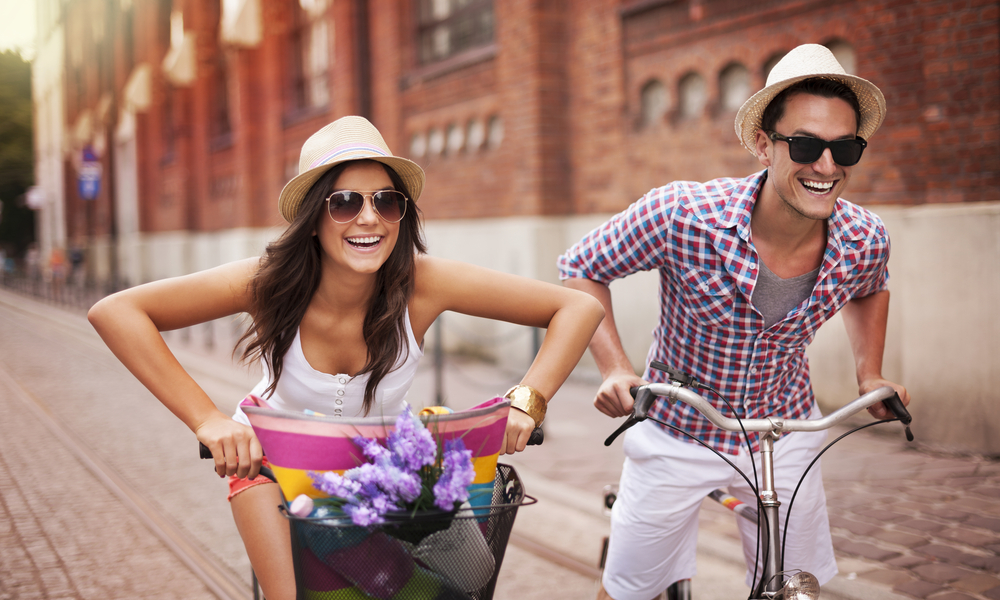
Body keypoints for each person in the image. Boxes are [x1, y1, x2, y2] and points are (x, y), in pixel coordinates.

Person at [89, 115, 604, 600]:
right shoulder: (269, 282)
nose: (369, 218)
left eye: (386, 202)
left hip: (382, 476)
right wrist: (208, 421)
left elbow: (577, 308)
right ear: (313, 218)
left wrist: (527, 400)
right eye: (344, 202)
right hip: (274, 465)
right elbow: (118, 312)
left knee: (468, 580)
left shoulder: (422, 283)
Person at [558, 44, 911, 600]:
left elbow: (870, 288)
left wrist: (870, 376)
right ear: (763, 144)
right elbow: (580, 268)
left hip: (784, 430)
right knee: (628, 592)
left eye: (844, 147)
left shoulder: (864, 237)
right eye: (805, 145)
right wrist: (615, 368)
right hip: (678, 428)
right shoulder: (683, 214)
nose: (826, 166)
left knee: (798, 588)